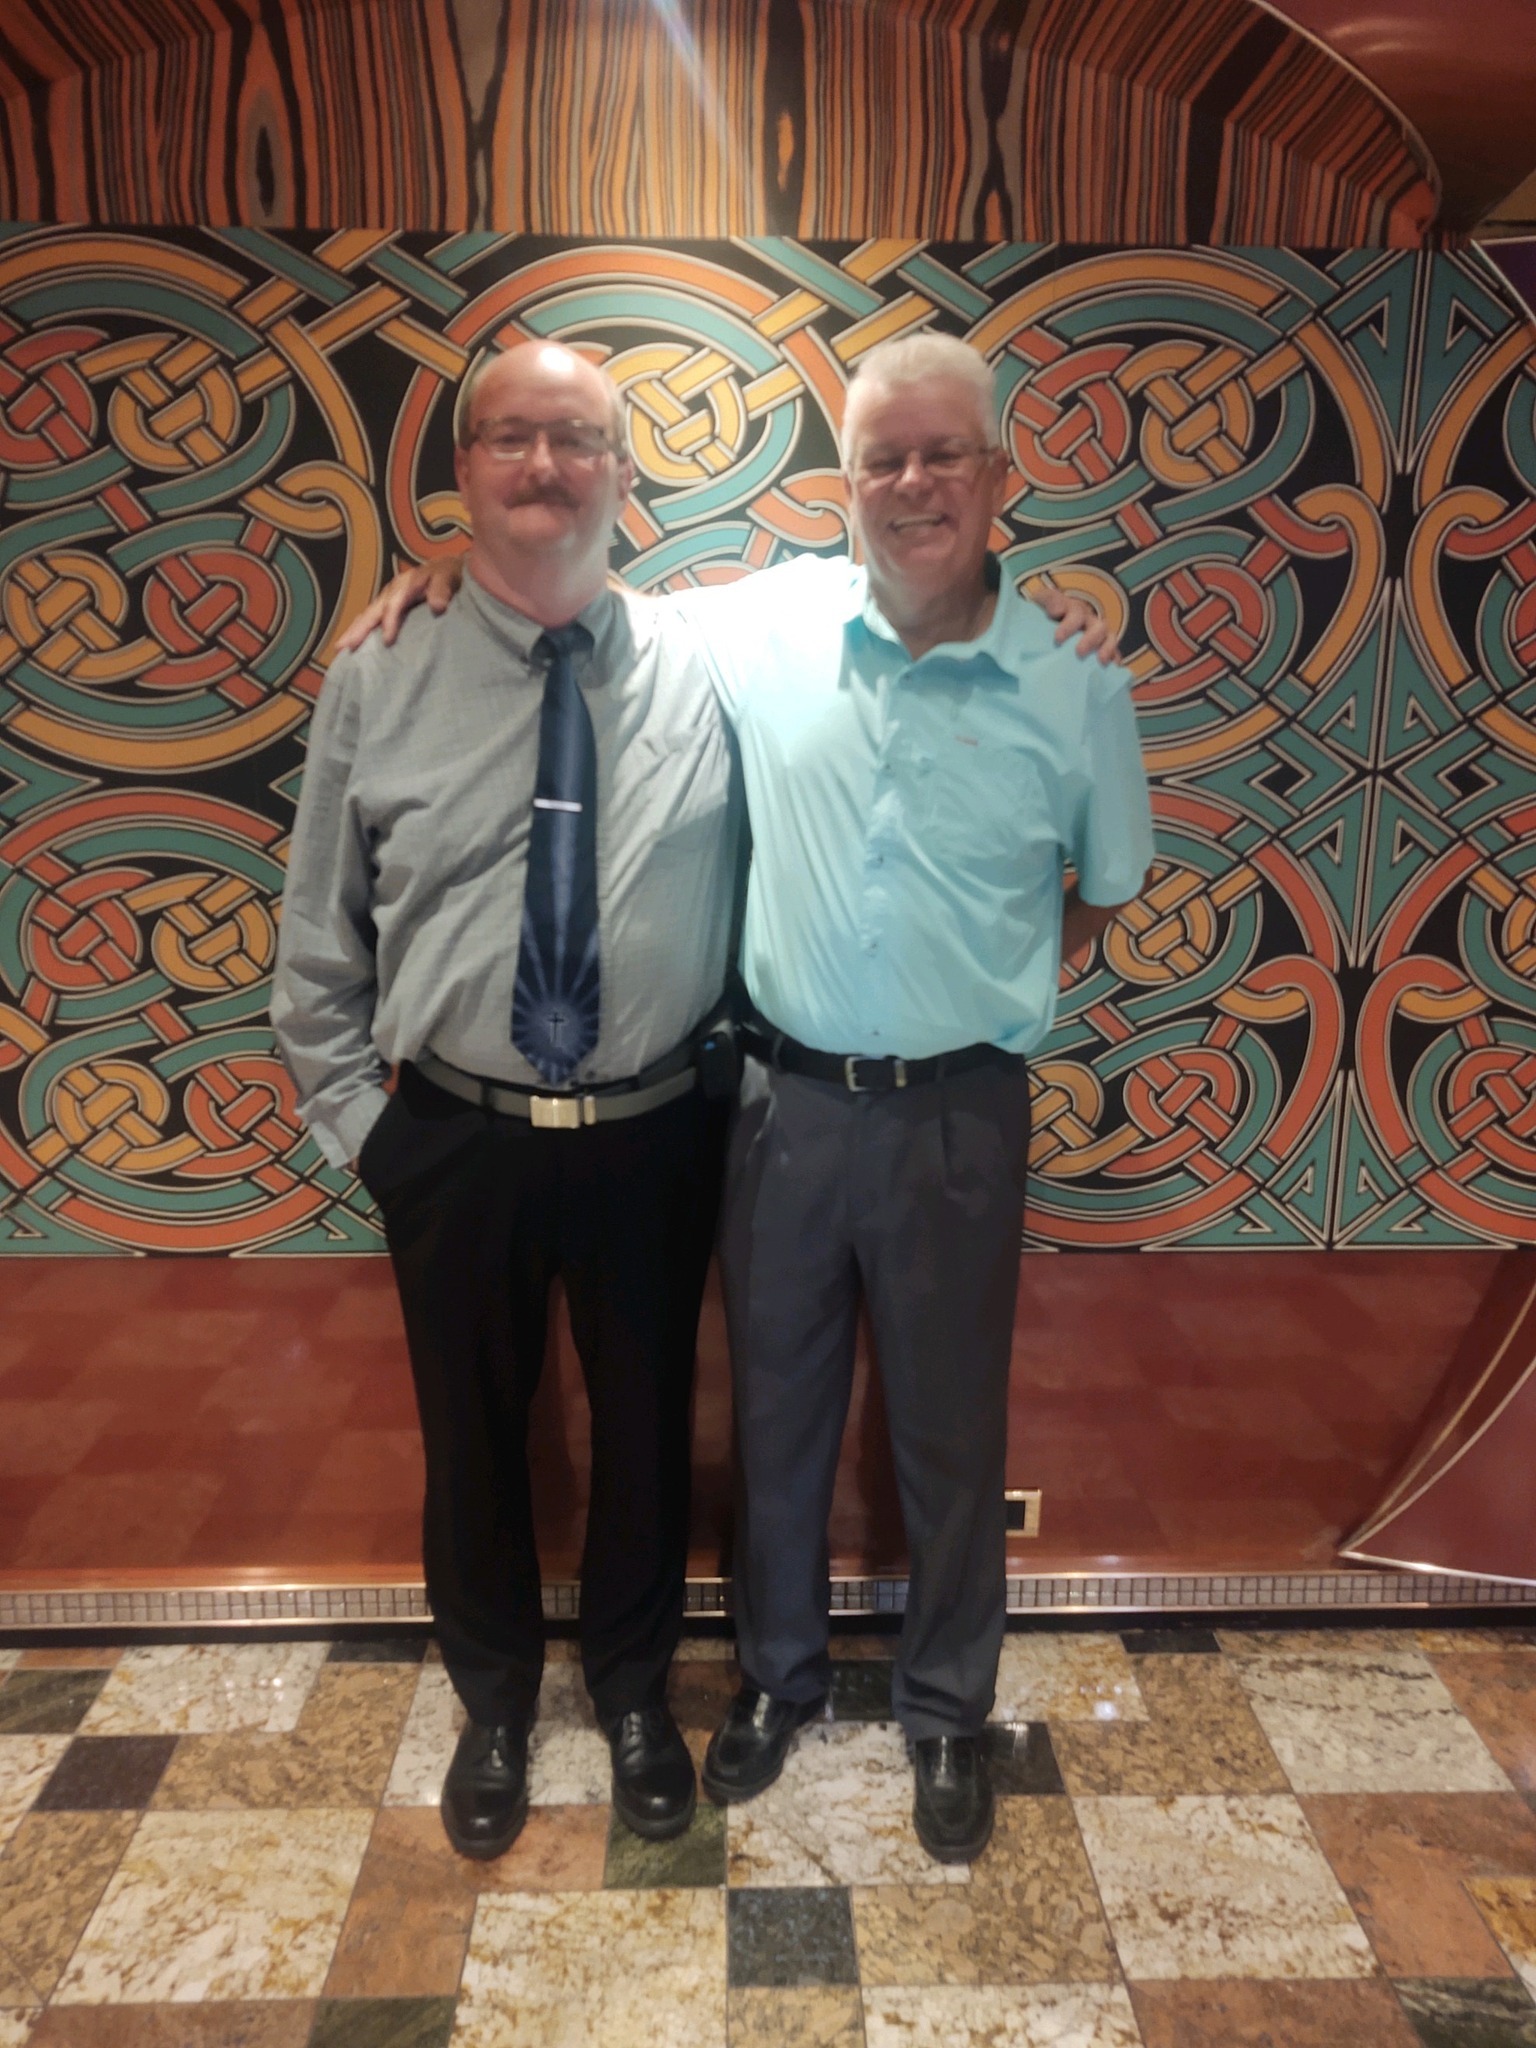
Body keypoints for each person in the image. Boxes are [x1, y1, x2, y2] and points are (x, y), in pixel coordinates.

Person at [324, 334, 1142, 1863]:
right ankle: (658, 1694)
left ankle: (844, 1710)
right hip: (659, 1115)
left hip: (837, 1115)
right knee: (693, 1427)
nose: (912, 485)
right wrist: (433, 566)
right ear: (845, 484)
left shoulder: (1029, 671)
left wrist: (1000, 968)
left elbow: (1103, 882)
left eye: (944, 455)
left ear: (999, 477)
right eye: (884, 458)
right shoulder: (700, 633)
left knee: (860, 1438)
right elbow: (541, 588)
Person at [272, 340, 741, 1857]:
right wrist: (372, 1138)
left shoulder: (711, 659)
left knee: (648, 1434)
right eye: (511, 437)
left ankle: (632, 1696)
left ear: (625, 474)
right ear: (464, 470)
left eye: (578, 439)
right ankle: (491, 1704)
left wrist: (1041, 608)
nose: (545, 465)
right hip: (454, 1138)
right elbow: (318, 939)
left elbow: (900, 577)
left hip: (656, 1133)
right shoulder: (379, 667)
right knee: (469, 1439)